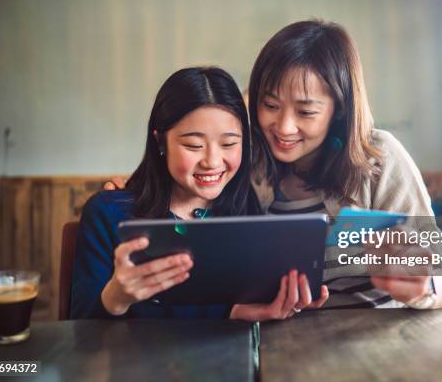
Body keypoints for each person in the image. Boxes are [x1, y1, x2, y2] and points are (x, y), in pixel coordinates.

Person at [71, 66, 328, 320]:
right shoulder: (108, 212)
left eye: (229, 143)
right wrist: (116, 297)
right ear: (160, 141)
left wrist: (284, 300)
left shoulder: (245, 207)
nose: (212, 161)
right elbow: (79, 325)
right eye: (194, 145)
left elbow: (249, 304)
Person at [247, 20, 442, 309]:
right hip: (289, 344)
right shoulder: (251, 166)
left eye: (306, 111)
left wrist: (423, 287)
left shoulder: (379, 158)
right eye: (270, 106)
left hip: (380, 344)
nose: (284, 127)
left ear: (339, 109)